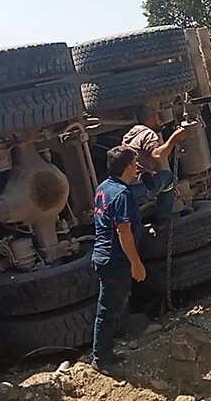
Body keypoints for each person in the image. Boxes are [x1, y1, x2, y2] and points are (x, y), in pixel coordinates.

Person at [91, 146, 147, 377]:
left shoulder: (104, 188)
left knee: (114, 304)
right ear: (127, 167)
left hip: (104, 256)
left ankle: (107, 352)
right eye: (135, 163)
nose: (137, 167)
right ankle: (100, 359)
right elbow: (123, 231)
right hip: (115, 258)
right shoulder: (122, 194)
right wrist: (136, 262)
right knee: (107, 310)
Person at [122, 106, 186, 222]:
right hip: (140, 188)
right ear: (150, 120)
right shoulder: (147, 134)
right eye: (157, 118)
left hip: (127, 188)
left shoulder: (130, 135)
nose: (160, 121)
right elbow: (157, 155)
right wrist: (175, 138)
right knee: (168, 177)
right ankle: (163, 219)